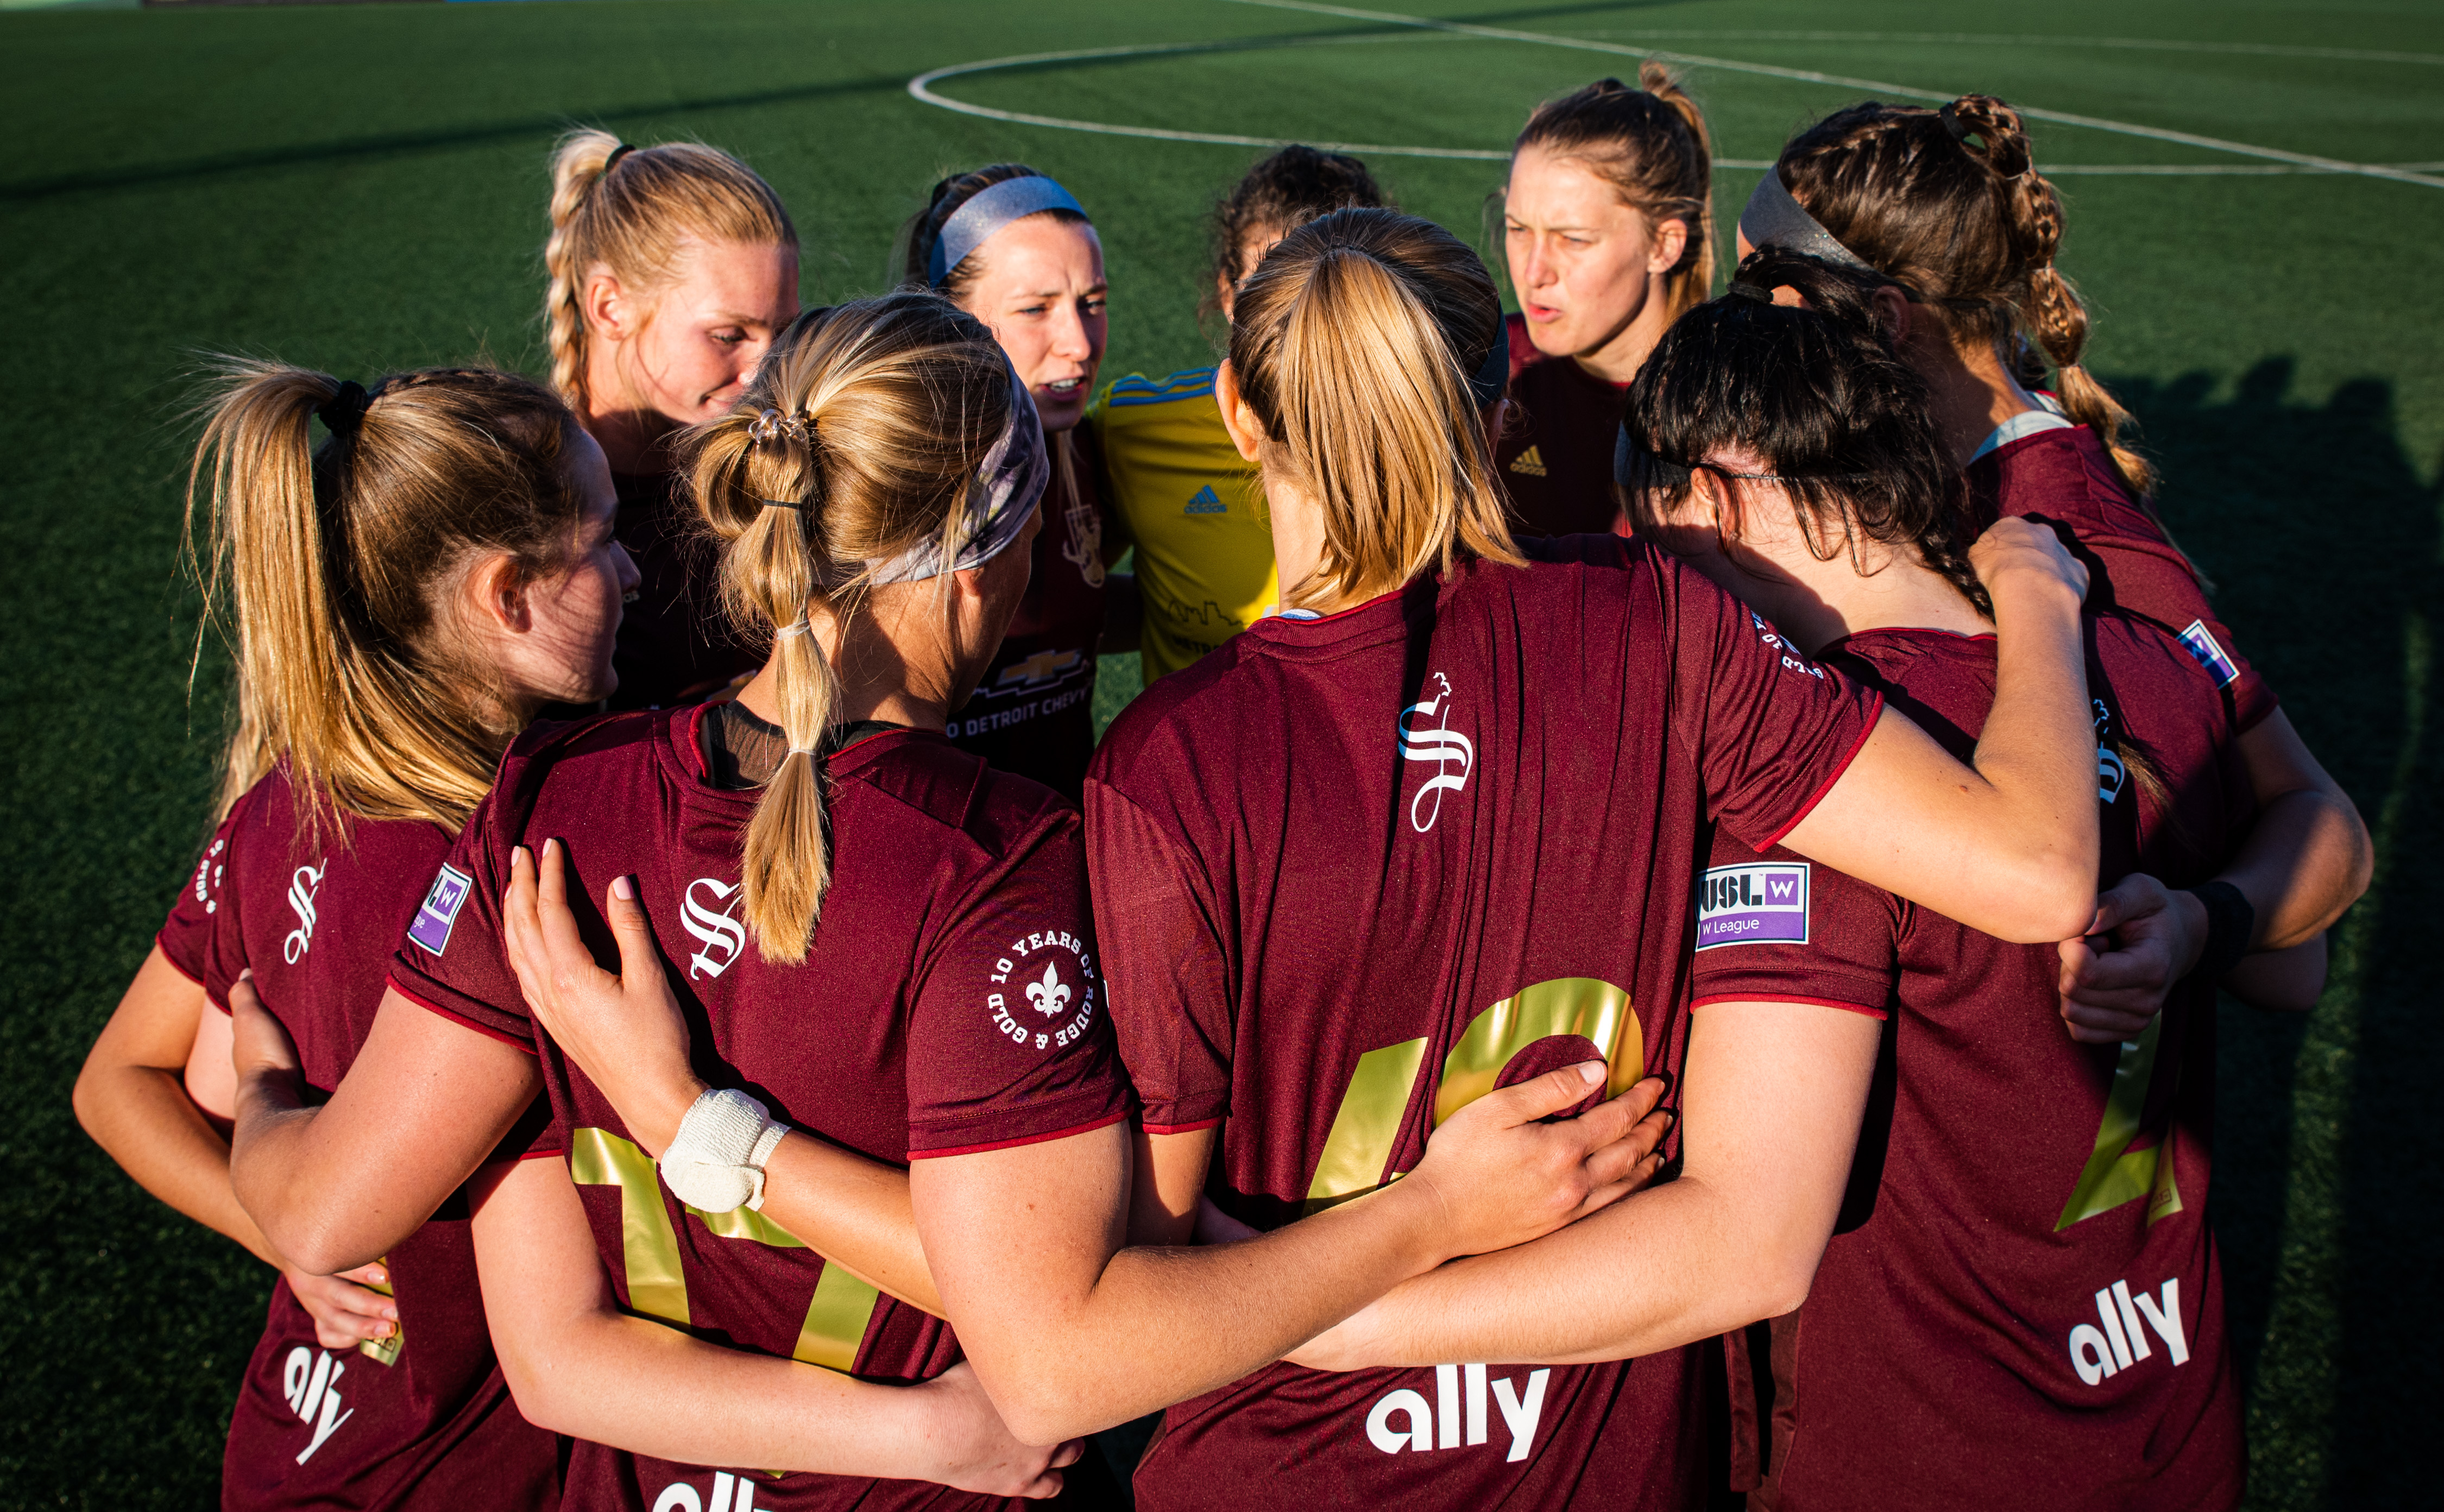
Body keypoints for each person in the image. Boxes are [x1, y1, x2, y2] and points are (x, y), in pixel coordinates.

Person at [223, 296, 1653, 1505]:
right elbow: (1067, 1338)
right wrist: (1430, 1212)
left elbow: (534, 1346)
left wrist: (267, 1105)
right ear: (992, 555)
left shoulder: (550, 805)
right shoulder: (998, 863)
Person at [1084, 209, 2108, 1508]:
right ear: (1502, 404)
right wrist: (2033, 589)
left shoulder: (1161, 766)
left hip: (1283, 1458)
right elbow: (2031, 871)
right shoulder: (1663, 620)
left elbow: (1142, 1275)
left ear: (1238, 412)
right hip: (1608, 1459)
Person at [1615, 256, 2333, 1510]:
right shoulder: (2140, 657)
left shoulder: (1820, 787)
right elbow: (2292, 954)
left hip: (1926, 1442)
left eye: (1650, 540)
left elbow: (1746, 1241)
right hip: (2162, 1398)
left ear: (1716, 509)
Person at [72, 362, 636, 1509]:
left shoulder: (280, 796)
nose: (633, 568)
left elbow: (114, 1081)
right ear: (506, 594)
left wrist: (280, 1225)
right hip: (456, 1467)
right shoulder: (504, 867)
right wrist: (297, 1214)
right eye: (604, 539)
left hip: (297, 1433)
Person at [1738, 93, 2369, 979]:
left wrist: (2199, 922)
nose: (1749, 332)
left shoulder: (2066, 520)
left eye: (1769, 299)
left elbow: (2317, 824)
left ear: (1882, 320)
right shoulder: (1904, 458)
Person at [1091, 144, 1383, 683]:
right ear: (1228, 294)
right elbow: (1070, 589)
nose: (1300, 321)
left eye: (1330, 286)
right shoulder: (1135, 434)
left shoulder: (1418, 437)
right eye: (1271, 285)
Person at [544, 128, 799, 710]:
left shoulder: (783, 470)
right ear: (610, 306)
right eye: (728, 335)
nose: (765, 370)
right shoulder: (530, 513)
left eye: (782, 332)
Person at [896, 165, 1123, 797]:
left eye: (1093, 303)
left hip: (1065, 845)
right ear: (947, 313)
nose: (1079, 342)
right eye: (1035, 309)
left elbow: (1086, 603)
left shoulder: (1081, 446)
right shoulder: (891, 480)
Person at [1498, 68, 1712, 538]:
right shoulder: (1491, 364)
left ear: (1664, 245)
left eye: (1573, 239)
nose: (1534, 272)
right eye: (1518, 229)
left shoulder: (1732, 405)